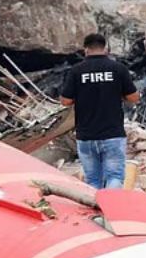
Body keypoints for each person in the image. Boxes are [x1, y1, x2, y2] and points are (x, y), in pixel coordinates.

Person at [60, 33, 140, 189]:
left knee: (92, 181)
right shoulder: (118, 69)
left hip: (86, 136)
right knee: (114, 177)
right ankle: (111, 205)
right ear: (105, 49)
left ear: (86, 49)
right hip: (112, 134)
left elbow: (65, 101)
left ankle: (94, 205)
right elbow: (133, 97)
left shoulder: (76, 71)